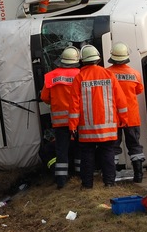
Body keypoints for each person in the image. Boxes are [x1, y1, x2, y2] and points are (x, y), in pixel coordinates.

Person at [69, 44, 128, 188]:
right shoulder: (109, 75)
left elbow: (74, 105)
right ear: (98, 59)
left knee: (87, 156)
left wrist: (72, 126)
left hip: (87, 128)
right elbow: (121, 100)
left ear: (82, 60)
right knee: (107, 154)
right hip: (107, 127)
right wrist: (124, 119)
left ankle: (87, 185)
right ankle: (109, 183)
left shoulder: (79, 78)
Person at [40, 46, 81, 188]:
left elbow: (44, 97)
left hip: (59, 123)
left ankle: (61, 181)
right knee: (80, 148)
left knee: (61, 151)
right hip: (78, 120)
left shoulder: (51, 76)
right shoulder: (80, 74)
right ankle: (79, 176)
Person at [106, 42, 146, 182]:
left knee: (113, 147)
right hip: (132, 117)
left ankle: (113, 176)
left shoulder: (107, 73)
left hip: (113, 118)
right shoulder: (135, 74)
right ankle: (138, 175)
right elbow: (139, 91)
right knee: (135, 145)